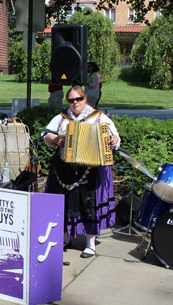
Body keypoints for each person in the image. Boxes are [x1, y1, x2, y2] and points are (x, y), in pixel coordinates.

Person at [44, 86, 120, 258]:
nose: (75, 103)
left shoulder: (99, 118)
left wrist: (114, 140)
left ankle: (90, 243)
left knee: (88, 205)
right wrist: (56, 139)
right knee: (65, 203)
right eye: (71, 100)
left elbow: (115, 139)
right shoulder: (61, 118)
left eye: (78, 99)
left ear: (85, 99)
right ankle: (65, 237)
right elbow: (46, 136)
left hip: (90, 170)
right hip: (65, 169)